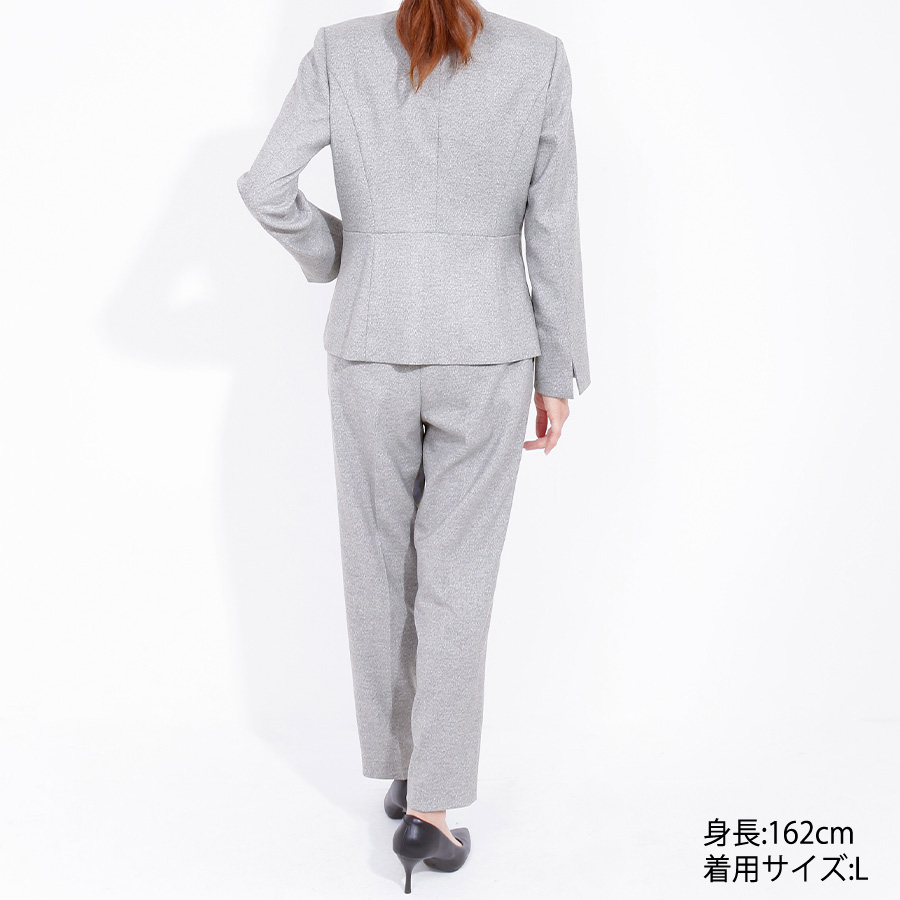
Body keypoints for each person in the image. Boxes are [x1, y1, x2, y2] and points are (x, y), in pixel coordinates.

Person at [236, 0, 590, 891]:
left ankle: (404, 771)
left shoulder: (340, 50)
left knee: (379, 566)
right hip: (490, 346)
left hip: (369, 339)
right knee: (458, 582)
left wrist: (340, 258)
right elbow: (551, 225)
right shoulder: (539, 57)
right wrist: (558, 369)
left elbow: (265, 184)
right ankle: (433, 808)